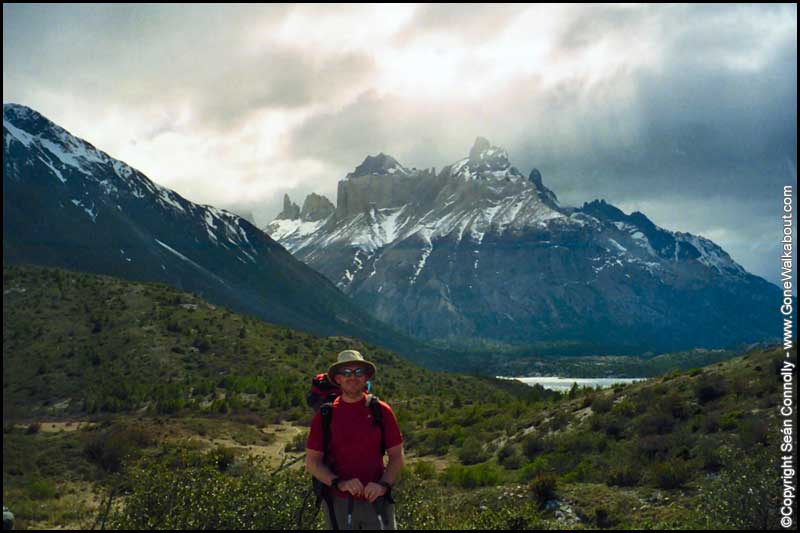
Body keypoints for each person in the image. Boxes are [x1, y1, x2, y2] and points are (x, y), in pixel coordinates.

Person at [305, 350, 404, 530]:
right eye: (347, 373)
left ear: (366, 377)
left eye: (358, 372)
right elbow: (312, 462)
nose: (353, 377)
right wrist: (339, 483)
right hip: (338, 502)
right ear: (338, 379)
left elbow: (396, 456)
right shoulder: (326, 415)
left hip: (377, 499)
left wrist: (382, 485)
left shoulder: (381, 411)